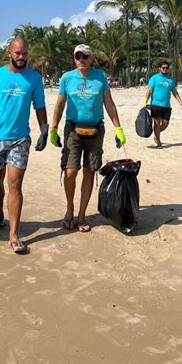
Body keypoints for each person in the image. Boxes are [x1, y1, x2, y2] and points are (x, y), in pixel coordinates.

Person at [0, 37, 48, 254]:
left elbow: (39, 105)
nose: (21, 57)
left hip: (20, 140)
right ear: (9, 53)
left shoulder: (34, 78)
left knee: (15, 184)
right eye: (17, 53)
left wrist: (44, 129)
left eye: (24, 53)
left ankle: (13, 235)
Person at [50, 44, 126, 232]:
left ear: (91, 58)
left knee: (89, 171)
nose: (81, 59)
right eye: (78, 56)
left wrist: (119, 128)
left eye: (85, 56)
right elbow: (60, 105)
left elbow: (109, 103)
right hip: (73, 130)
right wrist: (53, 129)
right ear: (74, 58)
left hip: (96, 130)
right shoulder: (67, 78)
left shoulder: (100, 77)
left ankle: (82, 214)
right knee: (70, 172)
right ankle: (70, 209)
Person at [145, 61, 182, 148]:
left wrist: (180, 101)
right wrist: (145, 101)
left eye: (166, 68)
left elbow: (174, 92)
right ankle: (159, 142)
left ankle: (156, 133)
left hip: (166, 105)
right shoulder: (154, 78)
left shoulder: (171, 80)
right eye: (163, 67)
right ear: (160, 68)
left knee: (165, 124)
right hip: (155, 104)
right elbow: (149, 90)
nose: (165, 69)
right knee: (157, 122)